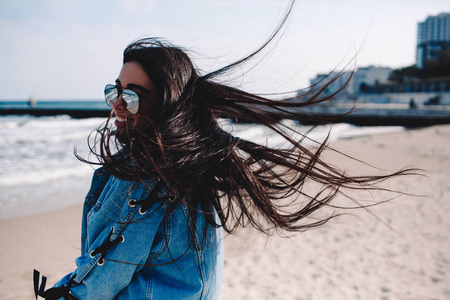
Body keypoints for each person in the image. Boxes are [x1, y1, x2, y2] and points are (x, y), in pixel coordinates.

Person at [33, 3, 416, 299]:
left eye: (132, 97)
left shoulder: (145, 173)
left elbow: (105, 271)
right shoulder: (187, 165)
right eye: (114, 90)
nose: (117, 103)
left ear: (167, 106)